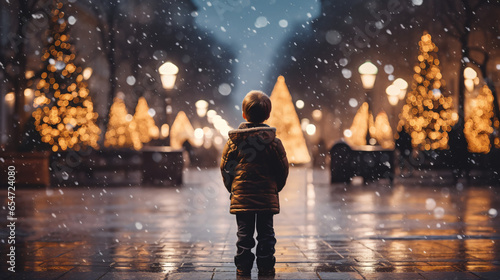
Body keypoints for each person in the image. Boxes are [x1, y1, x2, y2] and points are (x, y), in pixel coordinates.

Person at [220, 90, 289, 277]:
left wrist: (234, 189)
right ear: (268, 115)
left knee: (244, 235)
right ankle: (266, 266)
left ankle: (243, 268)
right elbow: (282, 171)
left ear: (244, 114)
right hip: (266, 198)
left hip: (242, 199)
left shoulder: (234, 143)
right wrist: (274, 189)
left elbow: (226, 169)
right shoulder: (274, 143)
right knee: (266, 234)